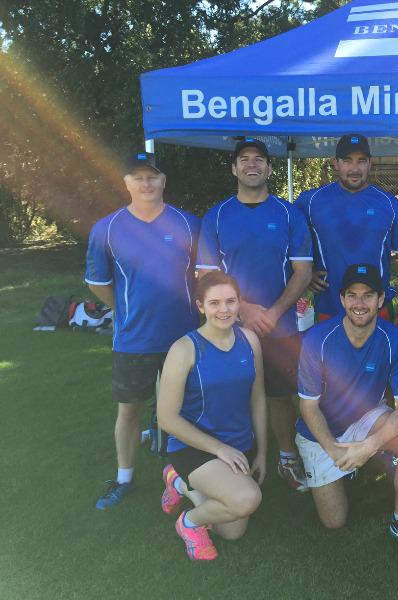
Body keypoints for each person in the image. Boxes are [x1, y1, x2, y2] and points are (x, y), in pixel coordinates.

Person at [85, 152, 199, 509]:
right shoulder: (107, 229)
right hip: (133, 339)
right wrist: (126, 310)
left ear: (163, 180)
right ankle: (124, 478)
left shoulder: (188, 224)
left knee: (189, 408)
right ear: (126, 182)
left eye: (152, 176)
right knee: (129, 410)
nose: (146, 183)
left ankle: (190, 475)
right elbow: (97, 283)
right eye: (138, 177)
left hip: (184, 337)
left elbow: (204, 276)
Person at [197, 137, 312, 492]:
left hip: (281, 325)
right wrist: (243, 308)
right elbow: (206, 275)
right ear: (234, 168)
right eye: (244, 159)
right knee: (229, 396)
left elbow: (303, 272)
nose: (252, 164)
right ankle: (227, 461)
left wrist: (273, 313)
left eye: (259, 159)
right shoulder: (216, 216)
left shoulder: (289, 214)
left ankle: (287, 458)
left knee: (281, 395)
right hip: (229, 327)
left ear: (270, 168)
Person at [296, 263, 398, 560]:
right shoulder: (317, 339)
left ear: (381, 299)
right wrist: (333, 450)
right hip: (321, 433)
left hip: (366, 416)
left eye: (368, 295)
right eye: (352, 295)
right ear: (342, 299)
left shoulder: (396, 340)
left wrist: (369, 446)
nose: (360, 303)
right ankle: (348, 464)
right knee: (334, 521)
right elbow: (308, 406)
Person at [157, 272, 267, 561]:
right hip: (194, 447)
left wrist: (262, 451)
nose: (224, 310)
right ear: (200, 306)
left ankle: (179, 484)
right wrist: (219, 448)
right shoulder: (184, 349)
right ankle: (188, 522)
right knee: (247, 499)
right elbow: (166, 419)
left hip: (238, 447)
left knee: (232, 531)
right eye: (214, 303)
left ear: (240, 302)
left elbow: (257, 398)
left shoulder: (250, 340)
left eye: (230, 301)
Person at [295, 134, 398, 335]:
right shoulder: (310, 202)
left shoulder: (390, 205)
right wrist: (306, 273)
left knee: (379, 356)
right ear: (335, 162)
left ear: (370, 163)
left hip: (377, 310)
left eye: (361, 161)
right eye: (347, 161)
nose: (354, 168)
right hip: (329, 308)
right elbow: (289, 245)